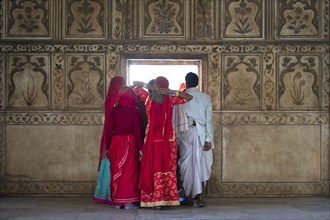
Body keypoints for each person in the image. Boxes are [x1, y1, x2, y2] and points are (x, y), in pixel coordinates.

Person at [133, 76, 193, 208]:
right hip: (163, 140)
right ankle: (165, 199)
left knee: (157, 167)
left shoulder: (153, 98)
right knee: (165, 168)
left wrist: (169, 91)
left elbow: (135, 85)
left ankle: (156, 200)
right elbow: (134, 84)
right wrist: (154, 88)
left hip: (156, 140)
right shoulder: (167, 99)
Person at [178, 72, 214, 208]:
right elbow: (209, 120)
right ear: (198, 83)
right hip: (202, 134)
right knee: (201, 165)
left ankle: (187, 196)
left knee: (186, 164)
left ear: (186, 83)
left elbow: (177, 119)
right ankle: (198, 198)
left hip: (186, 133)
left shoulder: (181, 98)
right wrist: (209, 139)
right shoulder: (206, 98)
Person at [106, 86, 143, 209]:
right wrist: (141, 148)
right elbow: (137, 131)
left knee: (117, 169)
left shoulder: (114, 110)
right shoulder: (135, 110)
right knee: (130, 171)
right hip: (130, 142)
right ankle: (129, 199)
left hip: (116, 142)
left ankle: (118, 199)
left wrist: (107, 146)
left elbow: (109, 130)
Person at [94, 76, 126, 204]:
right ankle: (112, 193)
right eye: (122, 84)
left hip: (109, 133)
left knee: (109, 162)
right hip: (115, 134)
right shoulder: (116, 98)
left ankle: (105, 194)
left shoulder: (110, 97)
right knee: (113, 163)